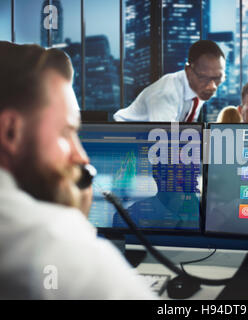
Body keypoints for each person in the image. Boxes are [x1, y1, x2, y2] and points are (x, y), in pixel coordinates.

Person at [0, 41, 155, 299]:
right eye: (67, 131)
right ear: (10, 131)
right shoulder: (54, 243)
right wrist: (74, 219)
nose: (81, 156)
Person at [114, 40, 226, 122]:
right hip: (122, 141)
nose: (212, 87)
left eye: (217, 78)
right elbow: (163, 144)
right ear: (188, 70)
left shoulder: (198, 88)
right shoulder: (166, 94)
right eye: (204, 77)